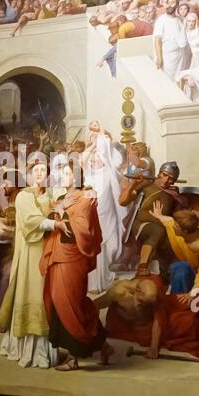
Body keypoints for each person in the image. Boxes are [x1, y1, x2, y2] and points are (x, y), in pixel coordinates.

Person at [0, 160, 57, 368]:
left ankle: (44, 349)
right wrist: (55, 222)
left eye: (43, 171)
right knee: (31, 291)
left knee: (46, 295)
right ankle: (26, 349)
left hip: (48, 251)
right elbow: (32, 221)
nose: (39, 174)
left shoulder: (50, 195)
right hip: (31, 251)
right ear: (29, 175)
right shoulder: (24, 196)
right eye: (35, 171)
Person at [42, 188, 111, 371]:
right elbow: (51, 223)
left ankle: (74, 359)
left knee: (71, 305)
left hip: (72, 259)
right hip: (57, 256)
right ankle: (104, 346)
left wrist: (62, 212)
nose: (64, 176)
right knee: (60, 303)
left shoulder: (86, 200)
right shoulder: (61, 197)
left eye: (68, 172)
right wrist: (55, 214)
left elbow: (83, 232)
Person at [82, 122, 125, 293]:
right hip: (93, 218)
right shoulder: (88, 176)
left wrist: (103, 139)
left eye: (97, 157)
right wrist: (92, 144)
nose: (94, 160)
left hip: (108, 217)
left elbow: (117, 198)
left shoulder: (109, 174)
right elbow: (84, 159)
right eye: (93, 157)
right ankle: (93, 284)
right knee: (95, 250)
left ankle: (106, 279)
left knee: (110, 247)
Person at [152, 0, 189, 81]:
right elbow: (157, 40)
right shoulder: (162, 20)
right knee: (167, 80)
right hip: (167, 56)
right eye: (167, 3)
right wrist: (159, 57)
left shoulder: (179, 20)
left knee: (179, 80)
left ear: (177, 5)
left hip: (179, 56)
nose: (169, 5)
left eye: (172, 3)